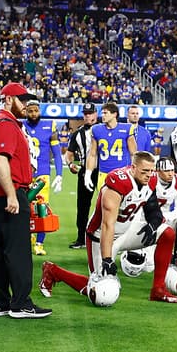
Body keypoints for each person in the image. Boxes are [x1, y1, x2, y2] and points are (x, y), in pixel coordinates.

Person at [40, 151, 177, 305]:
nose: (149, 175)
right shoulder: (118, 184)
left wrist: (153, 225)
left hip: (126, 231)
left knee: (167, 233)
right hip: (101, 236)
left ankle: (158, 290)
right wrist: (107, 259)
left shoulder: (150, 180)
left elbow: (154, 210)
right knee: (101, 294)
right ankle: (53, 271)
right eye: (145, 171)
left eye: (151, 171)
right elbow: (107, 225)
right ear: (133, 168)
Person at [0, 82, 50, 319]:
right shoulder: (6, 123)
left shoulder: (0, 122)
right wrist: (11, 194)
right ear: (9, 99)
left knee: (0, 249)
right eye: (22, 100)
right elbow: (0, 160)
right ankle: (21, 304)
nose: (26, 104)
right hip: (6, 194)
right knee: (18, 250)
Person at [24, 97, 63, 257]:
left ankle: (39, 244)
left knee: (42, 208)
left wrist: (59, 174)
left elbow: (57, 153)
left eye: (36, 110)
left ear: (40, 111)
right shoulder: (20, 125)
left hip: (42, 174)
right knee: (25, 209)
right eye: (30, 111)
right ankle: (28, 237)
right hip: (24, 174)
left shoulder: (50, 126)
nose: (33, 114)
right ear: (25, 112)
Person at [64, 103, 98, 249]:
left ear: (96, 114)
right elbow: (69, 154)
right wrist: (70, 164)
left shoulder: (104, 130)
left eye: (90, 113)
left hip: (103, 171)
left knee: (109, 205)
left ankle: (110, 237)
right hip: (85, 171)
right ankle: (81, 238)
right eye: (85, 114)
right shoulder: (78, 134)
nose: (87, 116)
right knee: (83, 205)